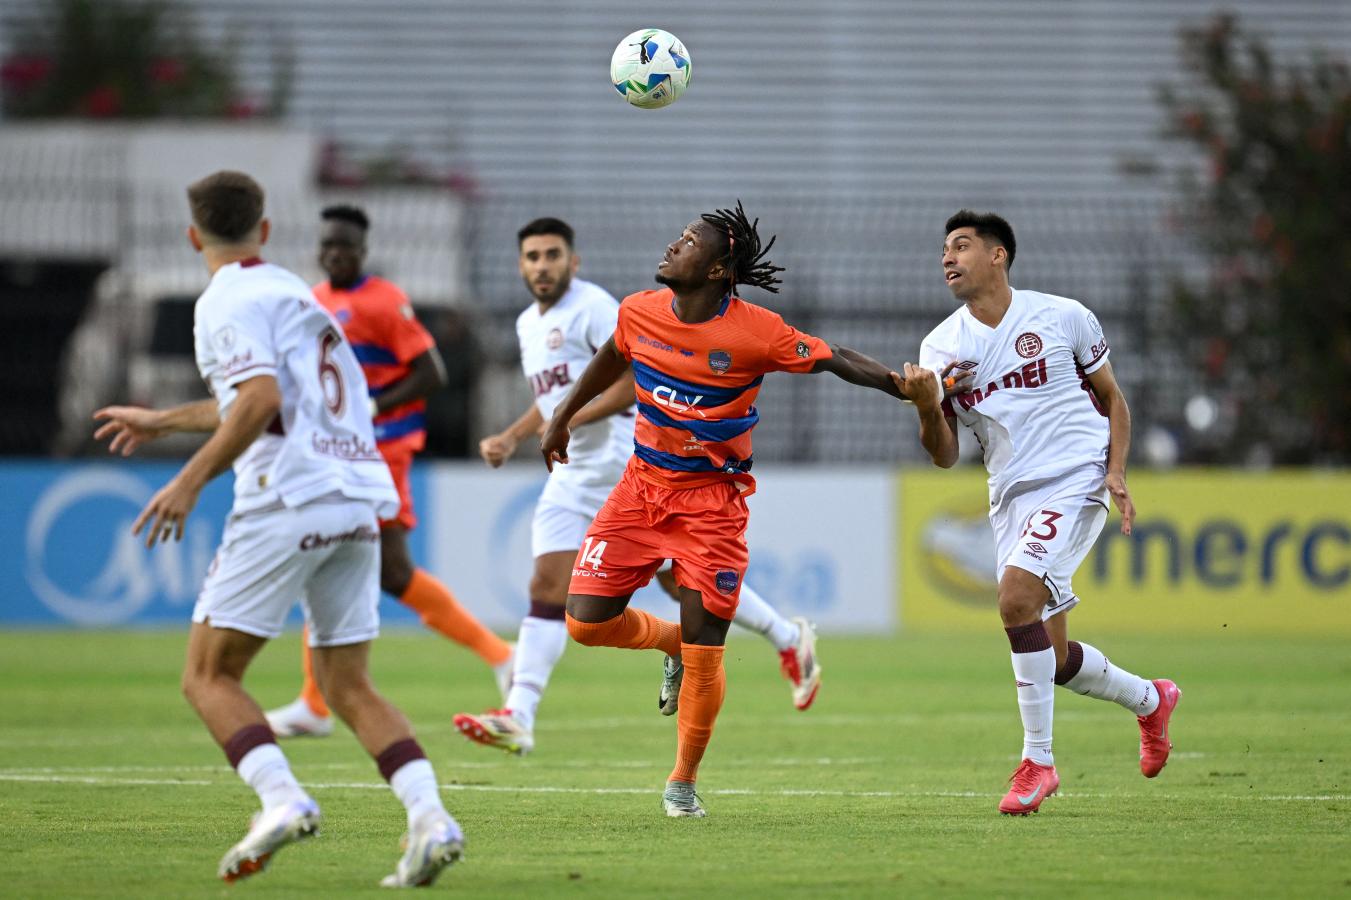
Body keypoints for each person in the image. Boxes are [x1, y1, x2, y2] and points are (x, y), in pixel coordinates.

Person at [92, 171, 463, 886]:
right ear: (263, 231)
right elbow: (265, 397)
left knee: (208, 675)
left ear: (193, 236)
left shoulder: (224, 299)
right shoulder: (296, 292)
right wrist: (163, 420)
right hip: (357, 497)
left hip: (289, 496)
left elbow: (259, 399)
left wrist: (187, 480)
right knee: (348, 683)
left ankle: (281, 798)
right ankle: (431, 819)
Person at [537, 202, 910, 817]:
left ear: (716, 271)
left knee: (707, 647)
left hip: (712, 506)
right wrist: (562, 416)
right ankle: (672, 646)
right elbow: (612, 355)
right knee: (584, 623)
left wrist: (902, 387)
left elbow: (833, 356)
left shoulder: (755, 331)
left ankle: (682, 784)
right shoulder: (638, 310)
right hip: (640, 489)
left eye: (688, 241)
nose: (672, 244)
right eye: (679, 235)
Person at [453, 218, 821, 757]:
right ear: (520, 266)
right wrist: (515, 435)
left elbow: (632, 377)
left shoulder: (596, 307)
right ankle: (519, 716)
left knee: (683, 585)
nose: (542, 266)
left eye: (553, 255)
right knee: (549, 586)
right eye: (532, 257)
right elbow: (555, 394)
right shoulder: (529, 324)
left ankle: (785, 638)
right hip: (571, 474)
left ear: (573, 261)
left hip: (628, 464)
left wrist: (570, 419)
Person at [896, 209, 1181, 816]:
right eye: (944, 249)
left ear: (997, 255)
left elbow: (1113, 399)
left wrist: (1116, 471)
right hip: (1011, 495)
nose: (947, 257)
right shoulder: (941, 346)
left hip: (1078, 476)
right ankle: (1151, 701)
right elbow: (944, 456)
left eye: (961, 246)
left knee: (1013, 600)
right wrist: (926, 405)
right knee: (1051, 659)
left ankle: (1038, 763)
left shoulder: (1061, 315)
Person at [265, 205, 513, 739]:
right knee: (329, 559)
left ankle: (500, 654)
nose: (335, 253)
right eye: (328, 244)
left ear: (362, 251)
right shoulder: (313, 300)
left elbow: (432, 373)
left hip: (384, 451)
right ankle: (313, 703)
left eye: (345, 245)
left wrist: (373, 407)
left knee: (390, 571)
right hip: (338, 454)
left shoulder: (384, 301)